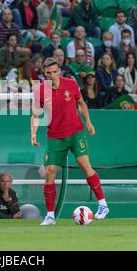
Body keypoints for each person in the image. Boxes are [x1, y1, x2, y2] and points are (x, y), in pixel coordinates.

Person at [31, 58, 109, 226]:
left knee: (84, 165)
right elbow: (36, 114)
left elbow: (81, 103)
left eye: (54, 72)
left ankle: (102, 205)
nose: (51, 75)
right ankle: (50, 216)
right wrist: (34, 133)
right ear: (44, 74)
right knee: (50, 171)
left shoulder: (71, 84)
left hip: (75, 132)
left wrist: (88, 122)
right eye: (48, 73)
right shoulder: (40, 91)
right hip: (55, 136)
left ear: (59, 71)